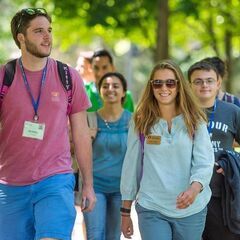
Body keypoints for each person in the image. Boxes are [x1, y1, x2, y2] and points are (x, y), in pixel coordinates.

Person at [0, 8, 96, 240]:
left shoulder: (68, 76)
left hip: (55, 179)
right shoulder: (5, 76)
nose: (47, 37)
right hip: (10, 185)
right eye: (39, 31)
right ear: (21, 38)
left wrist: (88, 184)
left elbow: (82, 134)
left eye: (49, 30)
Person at [120, 60, 214, 240]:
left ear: (179, 86)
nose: (164, 88)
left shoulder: (195, 120)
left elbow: (204, 162)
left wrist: (194, 190)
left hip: (191, 209)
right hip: (151, 206)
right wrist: (125, 212)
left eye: (170, 82)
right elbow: (131, 166)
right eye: (158, 83)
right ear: (151, 86)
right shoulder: (140, 120)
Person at [188, 60, 240, 240]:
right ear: (189, 85)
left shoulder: (232, 111)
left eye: (209, 80)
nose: (204, 85)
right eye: (198, 81)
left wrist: (232, 162)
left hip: (221, 193)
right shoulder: (181, 113)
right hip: (186, 192)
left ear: (218, 83)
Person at [83, 72, 132, 240]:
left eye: (116, 86)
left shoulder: (133, 121)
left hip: (121, 190)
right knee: (95, 236)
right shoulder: (89, 119)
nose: (110, 89)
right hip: (94, 187)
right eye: (105, 86)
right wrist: (87, 138)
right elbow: (73, 151)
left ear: (124, 92)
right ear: (99, 90)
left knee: (113, 236)